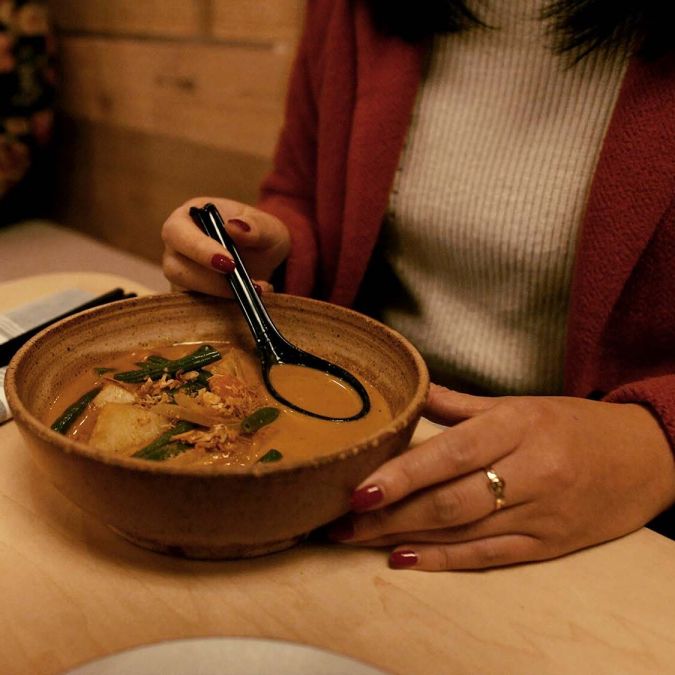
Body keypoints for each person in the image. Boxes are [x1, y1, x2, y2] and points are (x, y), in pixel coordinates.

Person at [161, 0, 675, 571]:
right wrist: (268, 254)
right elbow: (302, 191)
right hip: (360, 436)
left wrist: (653, 442)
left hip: (611, 512)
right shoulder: (348, 10)